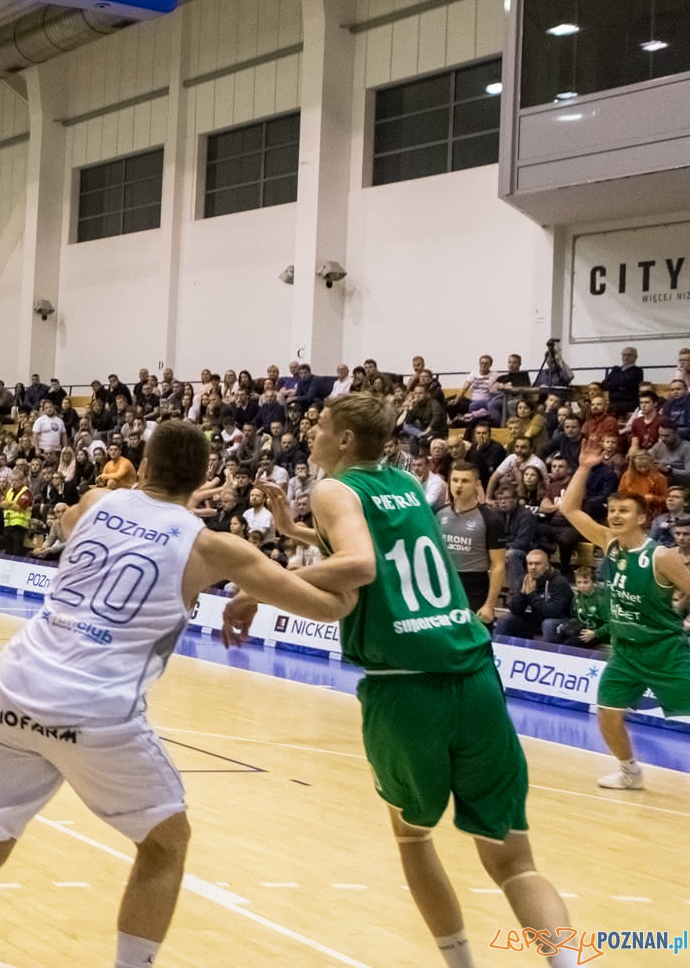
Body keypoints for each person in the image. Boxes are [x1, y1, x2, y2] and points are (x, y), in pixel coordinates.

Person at [0, 421, 354, 968]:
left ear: (143, 467)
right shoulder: (215, 547)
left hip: (16, 684)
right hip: (95, 704)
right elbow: (333, 606)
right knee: (165, 843)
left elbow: (76, 517)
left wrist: (146, 503)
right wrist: (301, 542)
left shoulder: (98, 500)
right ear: (203, 481)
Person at [229, 394, 581, 968]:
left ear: (344, 440)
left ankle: (460, 963)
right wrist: (296, 532)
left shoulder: (332, 488)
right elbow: (383, 553)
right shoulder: (408, 486)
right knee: (516, 862)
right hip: (474, 674)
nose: (312, 434)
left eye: (321, 426)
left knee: (413, 837)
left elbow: (360, 569)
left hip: (405, 683)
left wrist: (258, 586)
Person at [560, 445, 690, 790]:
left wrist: (684, 617)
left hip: (665, 650)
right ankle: (630, 771)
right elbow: (569, 508)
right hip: (625, 651)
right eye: (612, 510)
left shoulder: (660, 556)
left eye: (623, 511)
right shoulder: (609, 543)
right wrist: (585, 467)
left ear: (642, 518)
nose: (614, 516)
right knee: (607, 714)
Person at [436, 460, 506, 626]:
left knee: (475, 640)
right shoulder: (439, 513)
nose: (459, 485)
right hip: (442, 583)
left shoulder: (490, 519)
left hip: (474, 586)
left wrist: (489, 605)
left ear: (477, 484)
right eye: (455, 480)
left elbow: (498, 565)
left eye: (465, 481)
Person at [497, 549, 572, 640]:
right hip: (538, 619)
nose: (533, 567)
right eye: (530, 564)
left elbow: (555, 612)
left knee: (548, 624)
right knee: (505, 619)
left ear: (547, 565)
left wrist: (532, 594)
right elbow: (515, 610)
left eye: (537, 564)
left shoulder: (559, 582)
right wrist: (522, 594)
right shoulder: (525, 580)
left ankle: (547, 653)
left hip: (562, 620)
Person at [543, 564, 609, 647]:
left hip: (598, 633)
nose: (582, 586)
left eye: (586, 582)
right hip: (582, 629)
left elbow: (612, 624)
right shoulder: (577, 598)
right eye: (579, 582)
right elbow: (574, 616)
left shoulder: (601, 600)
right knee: (556, 637)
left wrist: (595, 633)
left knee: (571, 643)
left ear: (593, 582)